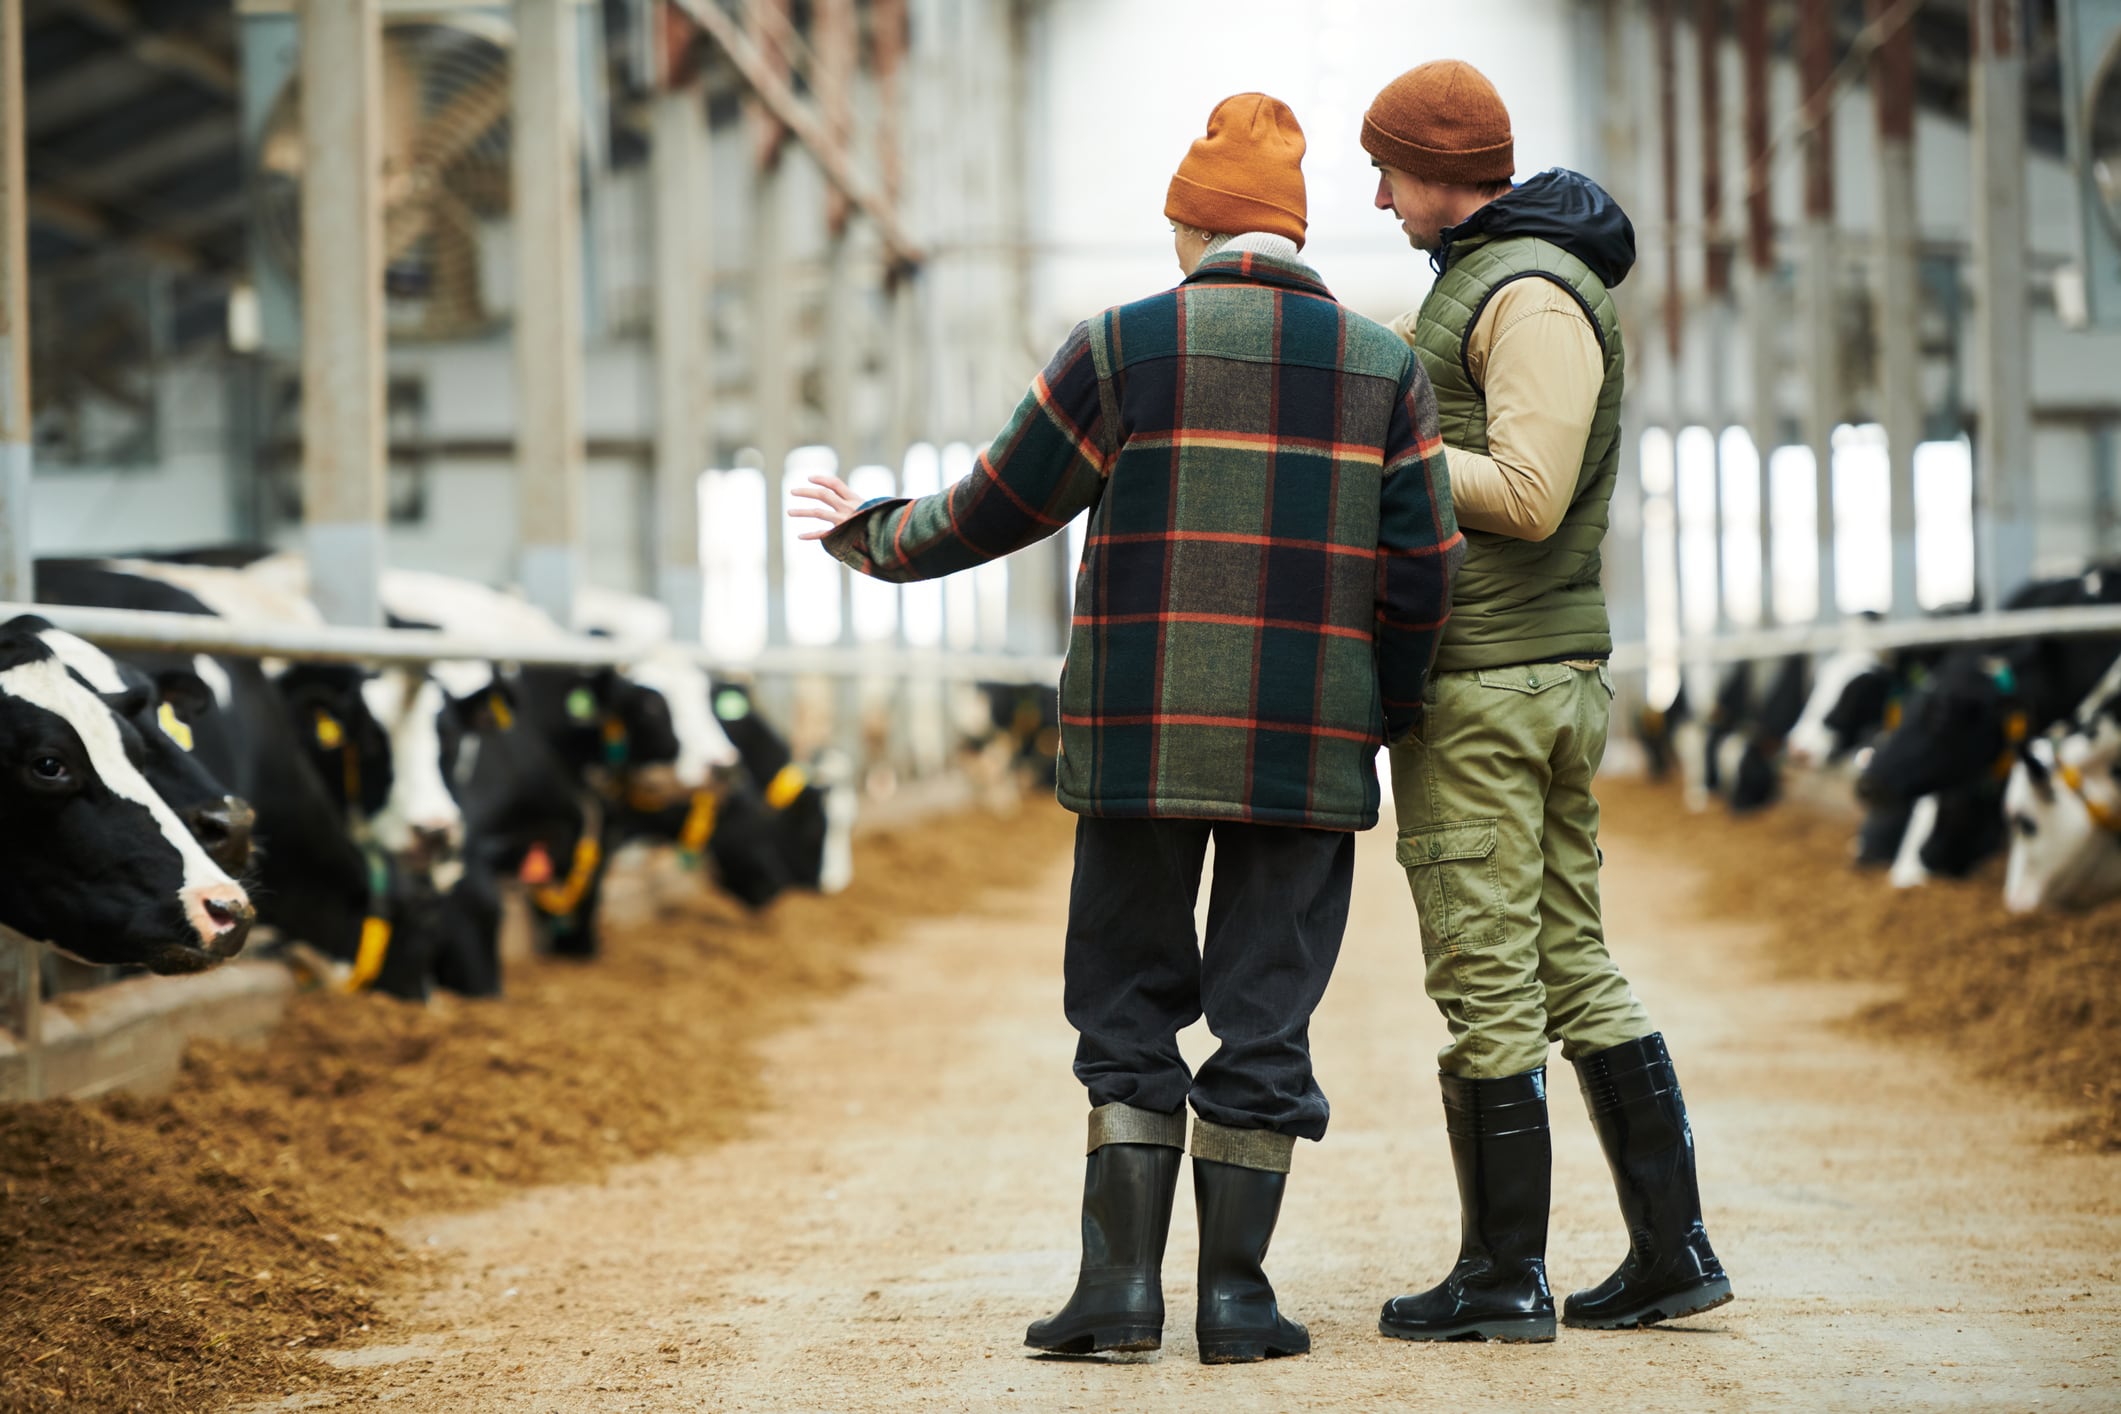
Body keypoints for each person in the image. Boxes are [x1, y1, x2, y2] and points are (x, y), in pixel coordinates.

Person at [790, 93, 1463, 1365]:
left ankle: (1117, 1297)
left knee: (1126, 1003)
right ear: (1293, 235)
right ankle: (1237, 1301)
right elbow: (1423, 570)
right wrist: (1387, 709)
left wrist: (865, 532)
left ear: (1190, 227)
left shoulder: (1120, 346)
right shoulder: (1387, 368)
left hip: (1141, 738)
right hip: (1307, 750)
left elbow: (996, 504)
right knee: (1267, 1012)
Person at [1360, 59, 1733, 1342]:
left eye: (1390, 171)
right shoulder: (1496, 281)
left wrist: (1386, 448)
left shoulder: (1524, 295)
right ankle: (1669, 1252)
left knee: (1490, 974)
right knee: (1569, 960)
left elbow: (1526, 489)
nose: (1378, 196)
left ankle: (1501, 1275)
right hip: (1535, 674)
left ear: (1444, 175)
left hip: (1494, 683)